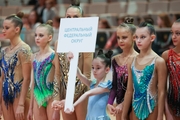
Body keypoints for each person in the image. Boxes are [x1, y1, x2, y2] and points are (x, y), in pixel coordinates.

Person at [52, 0, 93, 120]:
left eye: (76, 17)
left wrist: (70, 99)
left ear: (82, 19)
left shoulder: (86, 42)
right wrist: (56, 98)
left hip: (81, 93)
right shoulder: (58, 43)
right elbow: (57, 73)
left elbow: (87, 75)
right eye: (68, 17)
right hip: (64, 92)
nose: (71, 20)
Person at [122, 22, 167, 120]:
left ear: (152, 38)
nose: (138, 40)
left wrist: (160, 116)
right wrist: (123, 115)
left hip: (152, 107)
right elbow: (129, 90)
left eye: (143, 37)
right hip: (135, 106)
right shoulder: (132, 61)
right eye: (136, 37)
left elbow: (162, 91)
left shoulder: (159, 61)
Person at [53, 49, 113, 119]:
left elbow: (87, 94)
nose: (94, 71)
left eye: (98, 68)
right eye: (93, 67)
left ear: (107, 69)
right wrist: (72, 61)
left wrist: (72, 105)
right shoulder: (93, 84)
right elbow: (80, 75)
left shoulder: (106, 86)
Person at [0, 12, 32, 120]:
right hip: (6, 95)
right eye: (3, 27)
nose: (3, 30)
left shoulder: (24, 49)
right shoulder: (4, 51)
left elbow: (27, 78)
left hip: (19, 95)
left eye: (7, 28)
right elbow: (2, 78)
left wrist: (21, 103)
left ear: (17, 29)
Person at [107, 17, 138, 120]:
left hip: (135, 105)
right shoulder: (115, 59)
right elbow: (115, 86)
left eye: (124, 37)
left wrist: (123, 104)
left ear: (134, 37)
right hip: (119, 106)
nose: (120, 41)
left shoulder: (138, 59)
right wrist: (110, 103)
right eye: (118, 37)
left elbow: (137, 89)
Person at [27, 20, 55, 120]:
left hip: (51, 97)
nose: (37, 38)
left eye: (41, 35)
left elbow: (59, 80)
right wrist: (30, 108)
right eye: (36, 35)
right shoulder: (33, 57)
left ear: (50, 37)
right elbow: (33, 83)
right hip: (37, 97)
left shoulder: (54, 56)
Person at [162, 18, 180, 120]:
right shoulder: (166, 56)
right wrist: (166, 111)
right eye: (172, 33)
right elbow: (162, 89)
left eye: (178, 33)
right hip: (173, 107)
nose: (173, 37)